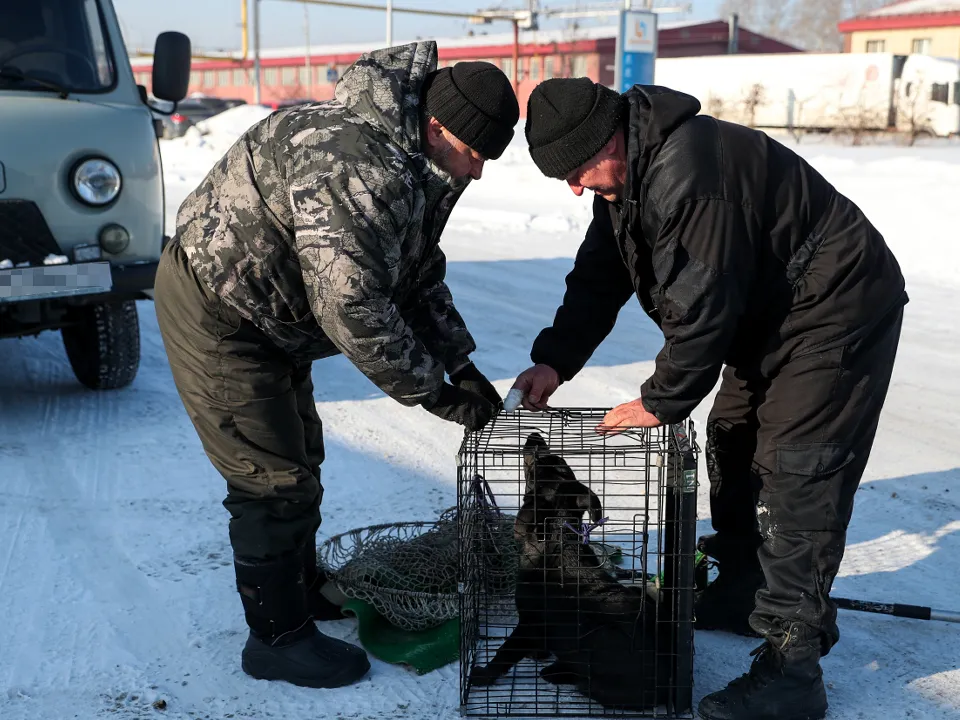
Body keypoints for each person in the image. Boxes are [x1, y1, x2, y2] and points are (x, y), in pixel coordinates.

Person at [511, 77, 906, 720]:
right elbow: (598, 275)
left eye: (579, 170)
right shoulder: (627, 180)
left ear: (609, 138)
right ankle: (747, 589)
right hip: (770, 321)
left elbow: (703, 303)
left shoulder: (688, 173)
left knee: (796, 473)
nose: (578, 187)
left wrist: (661, 399)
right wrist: (556, 359)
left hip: (833, 311)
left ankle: (792, 671)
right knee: (733, 443)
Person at [154, 41, 517, 689]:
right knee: (271, 476)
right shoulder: (358, 165)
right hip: (222, 310)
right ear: (438, 128)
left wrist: (458, 361)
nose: (480, 173)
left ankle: (299, 588)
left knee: (301, 455)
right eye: (477, 154)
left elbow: (416, 272)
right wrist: (432, 393)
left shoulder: (417, 160)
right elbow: (352, 304)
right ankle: (276, 636)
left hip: (275, 315)